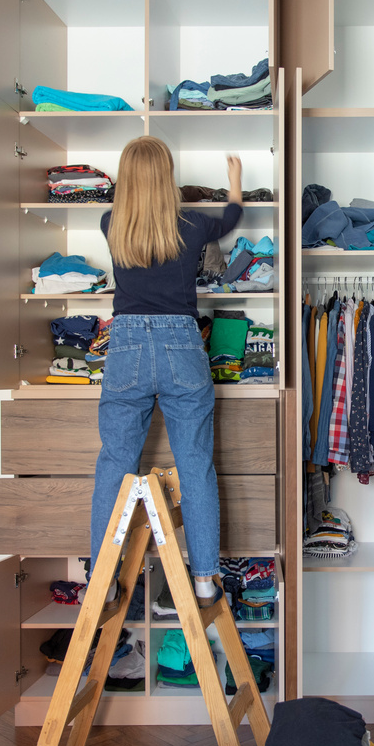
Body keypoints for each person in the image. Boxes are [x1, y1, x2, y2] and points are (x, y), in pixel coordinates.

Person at [92, 135, 243, 608]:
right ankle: (202, 580)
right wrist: (235, 183)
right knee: (195, 464)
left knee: (115, 465)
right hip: (181, 343)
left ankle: (106, 579)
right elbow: (233, 218)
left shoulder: (109, 222)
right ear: (167, 177)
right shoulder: (192, 225)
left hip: (128, 346)